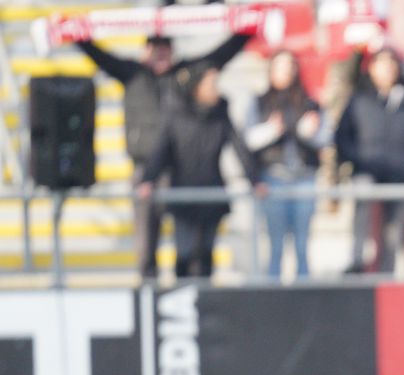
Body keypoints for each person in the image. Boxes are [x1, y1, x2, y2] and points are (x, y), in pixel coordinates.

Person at [76, 32, 250, 279]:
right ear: (145, 51)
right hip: (145, 169)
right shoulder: (132, 74)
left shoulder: (183, 76)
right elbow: (101, 57)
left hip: (178, 170)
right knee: (146, 244)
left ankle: (184, 297)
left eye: (166, 48)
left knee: (186, 245)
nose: (161, 54)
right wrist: (77, 35)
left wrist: (246, 31)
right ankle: (150, 301)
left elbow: (220, 56)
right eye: (155, 48)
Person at [138, 64, 262, 279]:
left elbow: (238, 146)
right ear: (196, 88)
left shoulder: (220, 114)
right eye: (211, 84)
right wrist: (148, 179)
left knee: (206, 254)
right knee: (184, 253)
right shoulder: (176, 115)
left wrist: (255, 180)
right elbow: (161, 151)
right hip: (183, 196)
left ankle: (205, 305)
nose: (216, 89)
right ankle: (182, 301)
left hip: (212, 194)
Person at [335, 47, 404, 276]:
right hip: (368, 176)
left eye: (391, 64)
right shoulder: (359, 102)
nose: (387, 69)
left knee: (394, 234)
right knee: (365, 215)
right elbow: (343, 138)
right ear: (370, 69)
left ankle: (385, 275)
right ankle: (358, 261)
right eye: (381, 64)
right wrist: (360, 162)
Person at [246, 51, 326, 281]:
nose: (287, 72)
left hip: (304, 177)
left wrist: (308, 132)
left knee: (302, 244)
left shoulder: (309, 102)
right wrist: (271, 130)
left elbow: (325, 136)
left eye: (290, 67)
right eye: (281, 67)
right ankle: (272, 294)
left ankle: (304, 294)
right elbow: (248, 139)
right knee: (275, 245)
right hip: (274, 177)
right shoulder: (260, 101)